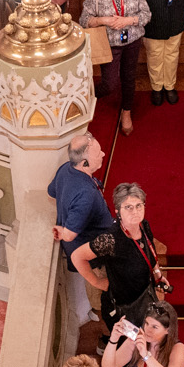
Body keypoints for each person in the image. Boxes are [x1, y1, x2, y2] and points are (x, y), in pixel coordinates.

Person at [50, 132, 112, 333]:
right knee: (101, 292)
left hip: (92, 245)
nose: (103, 154)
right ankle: (104, 325)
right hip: (94, 255)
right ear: (84, 163)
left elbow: (52, 192)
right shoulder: (85, 195)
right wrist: (62, 230)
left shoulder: (65, 169)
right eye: (98, 153)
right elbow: (69, 235)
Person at [83, 0, 151, 135]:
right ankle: (87, 95)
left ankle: (126, 112)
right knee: (110, 84)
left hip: (133, 40)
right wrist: (102, 20)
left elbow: (146, 14)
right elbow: (84, 20)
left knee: (129, 77)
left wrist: (128, 20)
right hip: (109, 44)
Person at [88, 182, 166, 326]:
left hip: (144, 296)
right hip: (124, 306)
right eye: (128, 207)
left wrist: (157, 273)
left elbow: (150, 252)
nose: (135, 211)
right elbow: (77, 256)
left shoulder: (143, 225)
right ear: (118, 211)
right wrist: (96, 282)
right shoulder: (110, 239)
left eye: (139, 205)